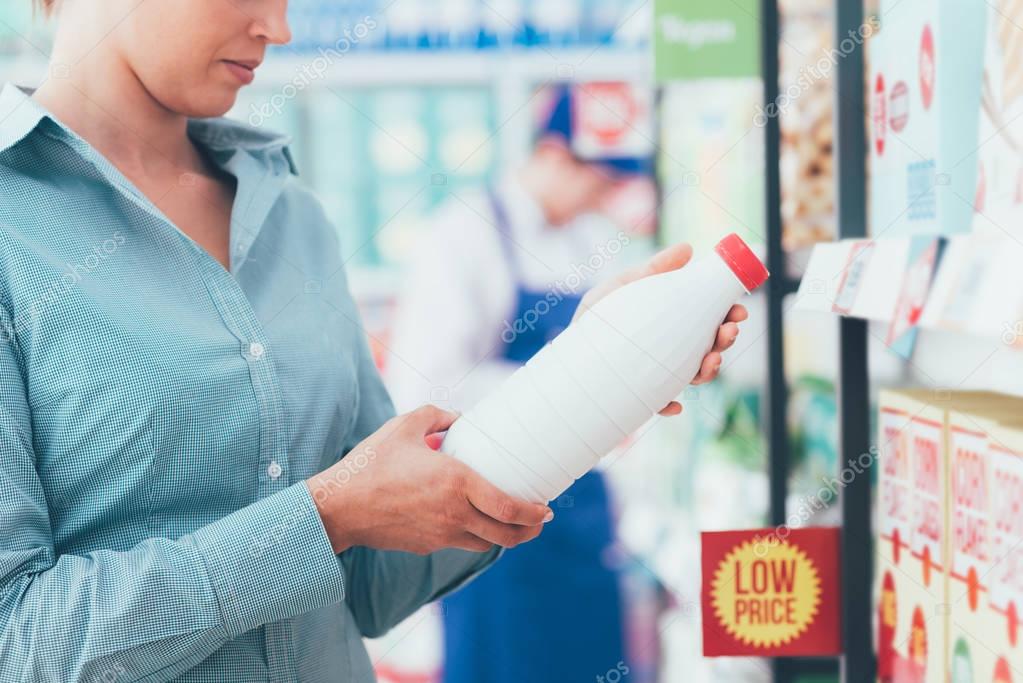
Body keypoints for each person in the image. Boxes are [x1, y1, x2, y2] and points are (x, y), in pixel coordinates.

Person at [0, 2, 744, 682]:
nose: (278, 29)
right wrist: (323, 515)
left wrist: (586, 381)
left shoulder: (291, 215)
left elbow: (371, 585)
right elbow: (17, 641)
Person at [387, 86, 748, 683]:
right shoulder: (462, 237)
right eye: (601, 179)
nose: (607, 197)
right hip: (486, 517)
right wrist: (582, 382)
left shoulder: (587, 239)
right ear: (555, 154)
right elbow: (426, 389)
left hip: (581, 512)